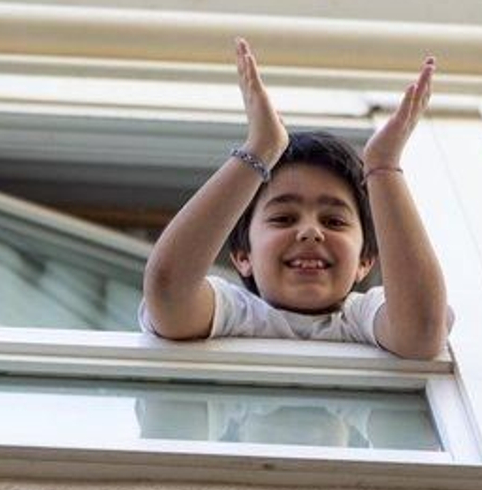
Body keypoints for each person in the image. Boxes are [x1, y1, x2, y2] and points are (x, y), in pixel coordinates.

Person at [140, 38, 450, 359]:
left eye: (334, 221)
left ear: (364, 261)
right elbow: (168, 292)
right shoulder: (236, 312)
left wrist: (384, 168)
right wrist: (260, 150)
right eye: (283, 218)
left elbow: (421, 331)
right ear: (243, 255)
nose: (310, 232)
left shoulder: (362, 316)